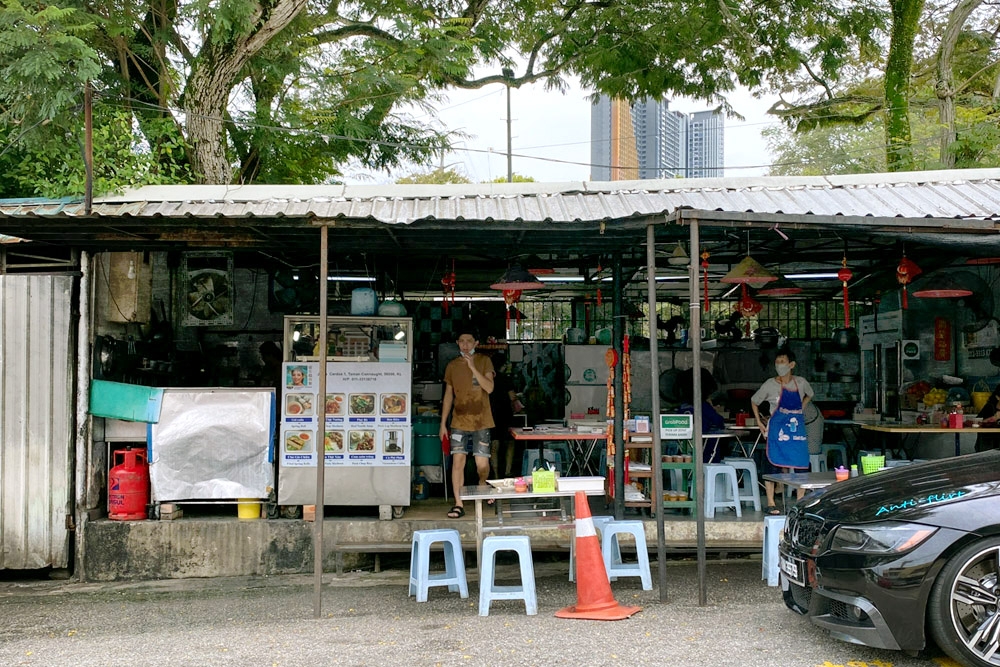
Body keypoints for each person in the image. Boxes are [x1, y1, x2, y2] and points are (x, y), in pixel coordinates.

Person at [439, 327, 495, 518]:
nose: (465, 345)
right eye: (461, 341)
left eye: (469, 341)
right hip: (458, 421)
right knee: (457, 462)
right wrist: (442, 424)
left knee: (482, 465)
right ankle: (458, 503)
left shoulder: (484, 361)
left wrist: (472, 368)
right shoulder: (452, 365)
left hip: (482, 421)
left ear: (476, 344)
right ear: (457, 343)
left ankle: (482, 483)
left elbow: (489, 388)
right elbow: (448, 396)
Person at [751, 348, 814, 515]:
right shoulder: (769, 385)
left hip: (796, 430)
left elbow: (810, 393)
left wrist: (802, 406)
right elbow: (754, 401)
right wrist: (759, 422)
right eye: (777, 362)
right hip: (777, 429)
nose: (779, 365)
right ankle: (771, 502)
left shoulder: (800, 382)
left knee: (801, 464)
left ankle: (800, 501)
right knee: (773, 465)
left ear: (791, 364)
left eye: (782, 362)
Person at [488, 352, 518, 478]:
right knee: (509, 443)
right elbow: (512, 397)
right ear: (503, 365)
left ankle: (495, 474)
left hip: (491, 414)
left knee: (494, 444)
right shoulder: (506, 379)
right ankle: (507, 471)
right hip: (505, 414)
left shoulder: (487, 378)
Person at [975, 383, 1000, 451]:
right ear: (997, 397)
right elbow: (976, 423)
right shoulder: (990, 407)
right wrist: (994, 418)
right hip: (988, 443)